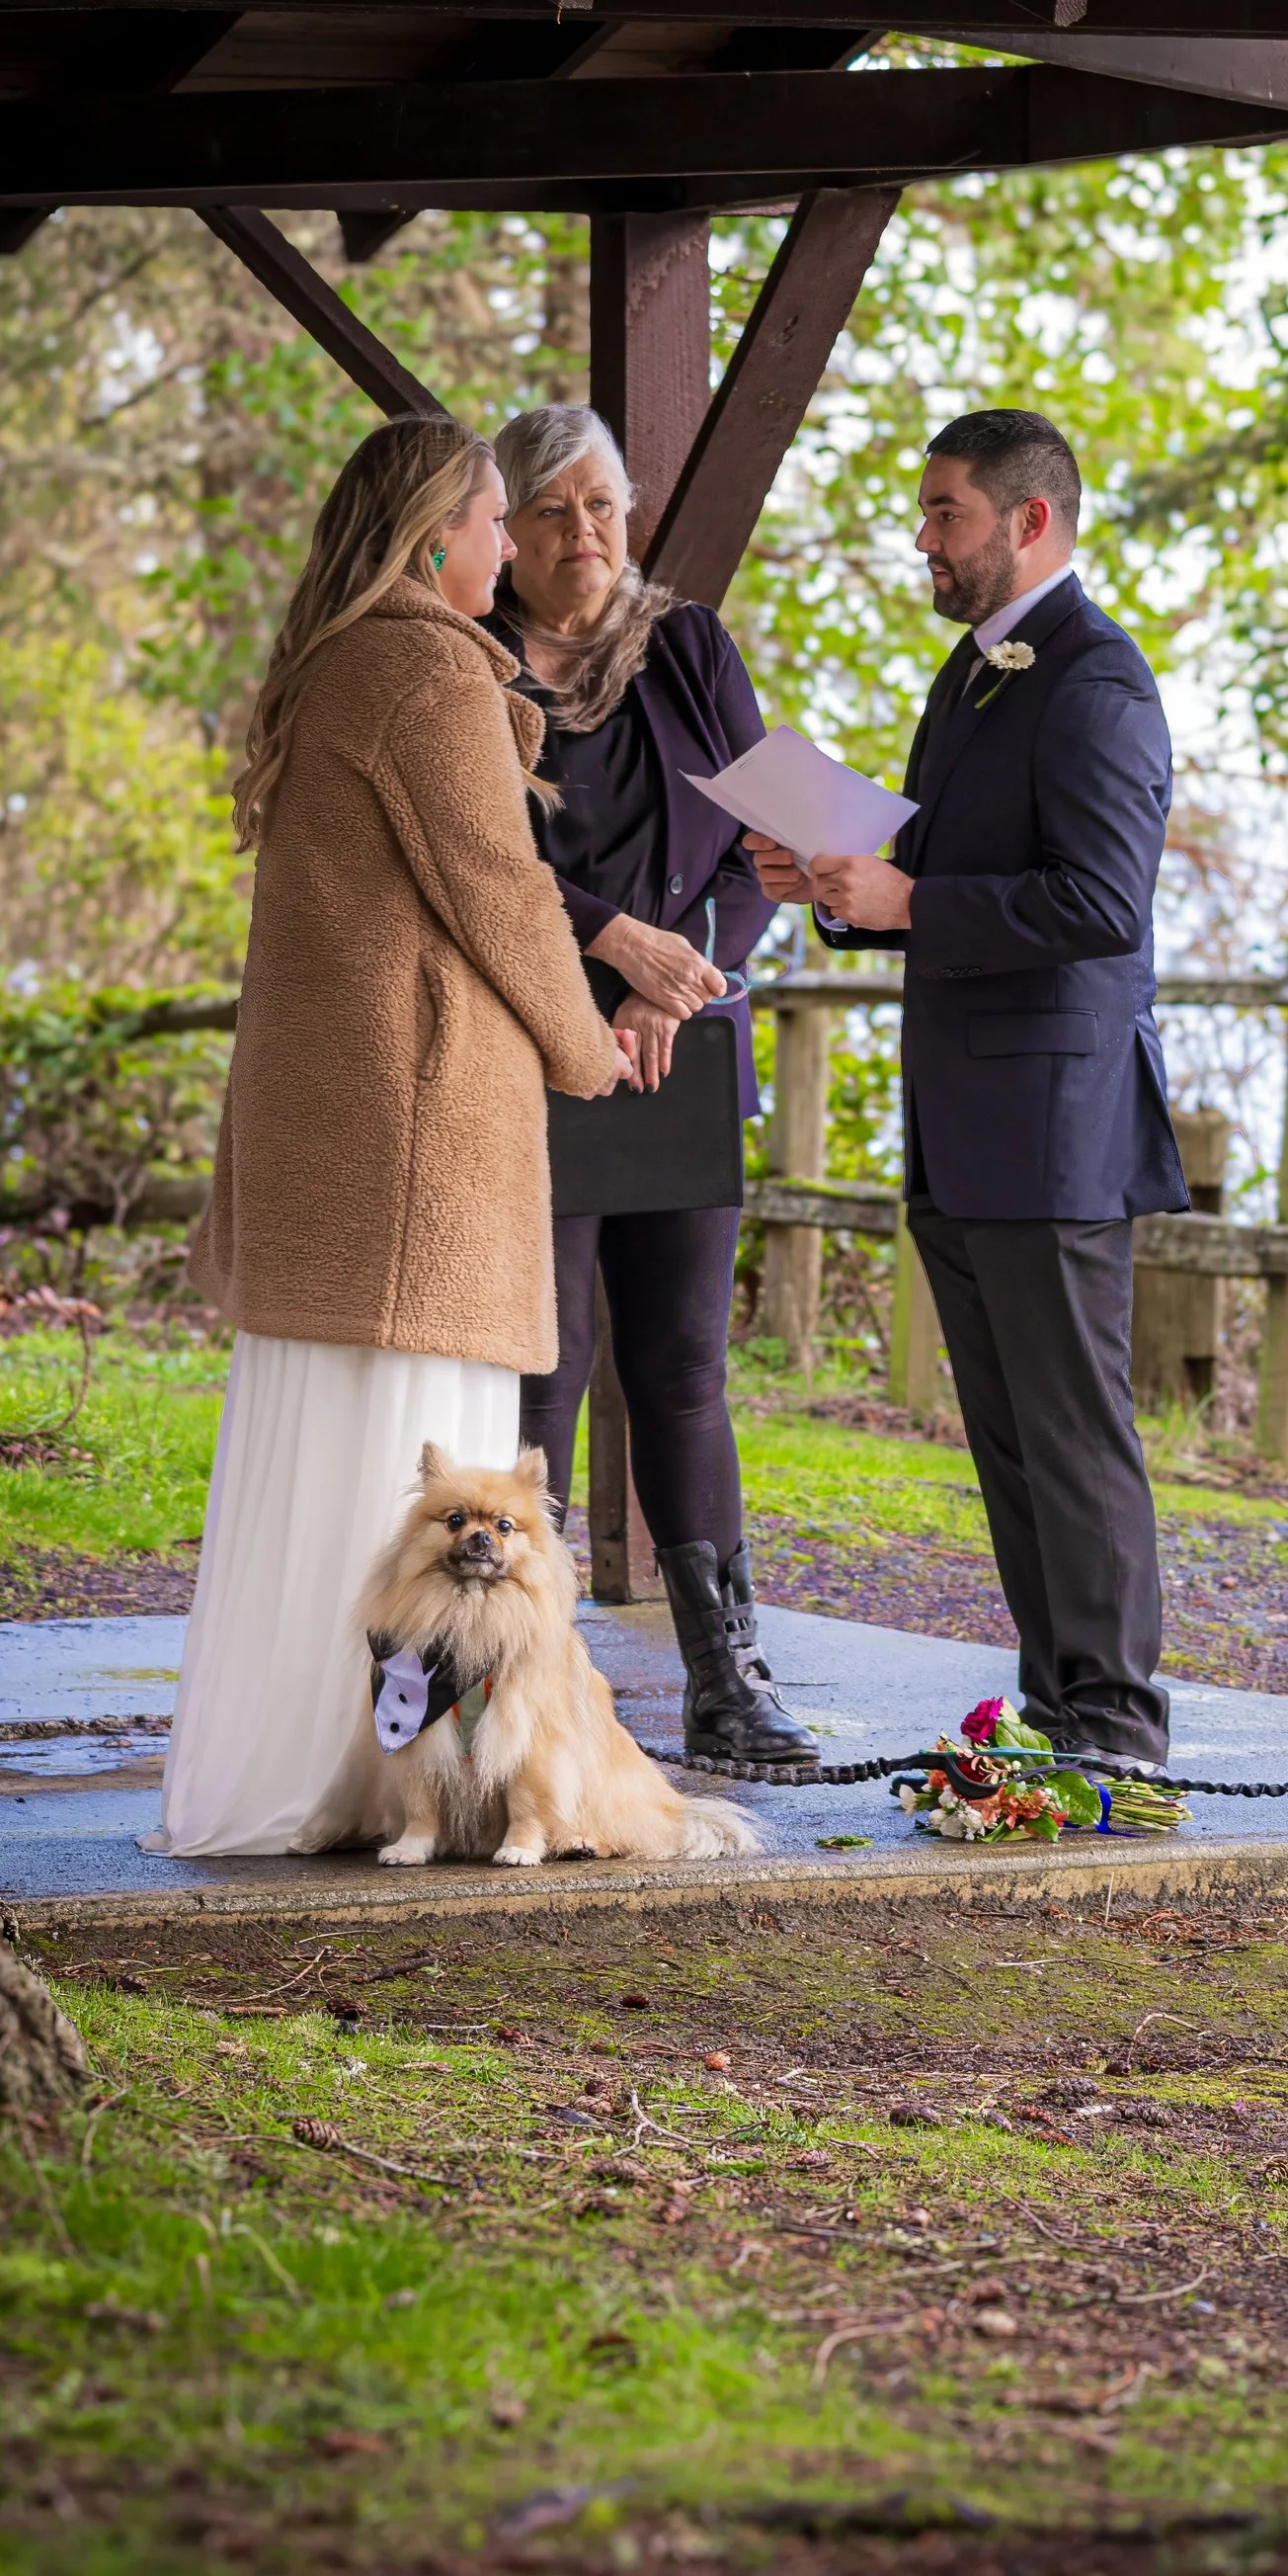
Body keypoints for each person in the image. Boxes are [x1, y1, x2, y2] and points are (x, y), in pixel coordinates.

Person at [153, 416, 625, 1861]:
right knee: (414, 1457)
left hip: (334, 1149)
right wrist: (589, 1043)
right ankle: (380, 1783)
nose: (509, 550)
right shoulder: (425, 665)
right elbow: (501, 887)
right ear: (438, 534)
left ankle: (315, 1769)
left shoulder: (336, 659)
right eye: (496, 522)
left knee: (324, 1456)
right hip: (414, 1150)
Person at [748, 408, 1187, 1772]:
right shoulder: (976, 674)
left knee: (1072, 1434)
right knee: (1005, 1439)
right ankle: (1056, 1707)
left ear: (1029, 521)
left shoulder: (1098, 683)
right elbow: (942, 861)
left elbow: (1102, 903)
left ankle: (1117, 1721)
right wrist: (834, 878)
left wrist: (914, 893)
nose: (924, 537)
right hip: (964, 1124)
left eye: (945, 512)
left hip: (1056, 1132)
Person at [485, 401, 816, 1776]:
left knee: (682, 1369)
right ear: (503, 527)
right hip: (530, 1050)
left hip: (677, 1045)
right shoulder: (469, 657)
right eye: (554, 510)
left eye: (604, 506)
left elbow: (759, 846)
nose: (585, 535)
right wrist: (605, 957)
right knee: (543, 1371)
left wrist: (669, 982)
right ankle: (521, 1676)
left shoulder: (687, 646)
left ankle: (727, 1679)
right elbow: (477, 864)